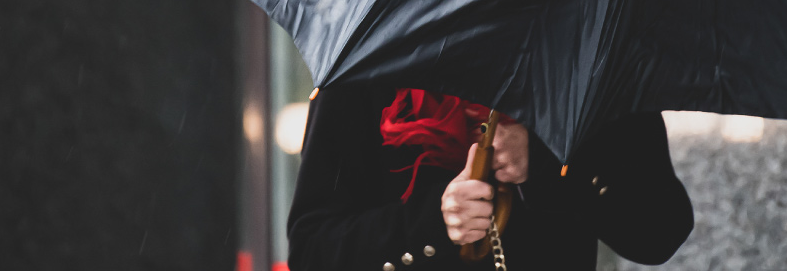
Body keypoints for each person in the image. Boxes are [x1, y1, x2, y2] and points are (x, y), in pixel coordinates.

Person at [287, 84, 693, 270]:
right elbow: (312, 252)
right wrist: (433, 223)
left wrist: (549, 164)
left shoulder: (590, 61)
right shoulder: (367, 71)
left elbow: (659, 231)